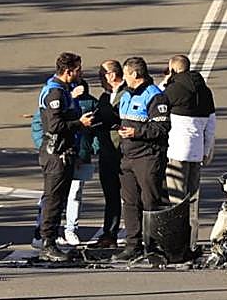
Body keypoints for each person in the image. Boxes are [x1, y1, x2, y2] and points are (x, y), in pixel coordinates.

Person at [36, 52, 94, 262]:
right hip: (56, 154)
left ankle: (51, 240)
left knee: (58, 200)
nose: (81, 73)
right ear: (68, 71)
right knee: (53, 199)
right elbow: (55, 126)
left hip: (64, 152)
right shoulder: (56, 93)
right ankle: (47, 244)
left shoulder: (64, 90)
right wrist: (81, 123)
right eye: (78, 69)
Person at [115, 56, 171, 262]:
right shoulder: (126, 95)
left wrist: (136, 132)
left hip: (148, 156)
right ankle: (133, 244)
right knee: (130, 201)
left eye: (126, 73)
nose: (124, 78)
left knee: (150, 200)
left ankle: (154, 246)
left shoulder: (155, 96)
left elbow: (162, 128)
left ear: (135, 74)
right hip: (127, 156)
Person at [162, 54, 216, 251]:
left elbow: (158, 105)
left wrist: (165, 83)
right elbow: (211, 124)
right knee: (193, 199)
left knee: (177, 199)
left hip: (176, 150)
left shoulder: (173, 89)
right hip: (197, 151)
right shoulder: (205, 91)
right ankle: (192, 242)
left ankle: (177, 243)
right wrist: (206, 150)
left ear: (173, 69)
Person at [90, 59, 125, 248]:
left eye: (101, 75)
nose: (99, 79)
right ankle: (109, 234)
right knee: (110, 196)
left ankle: (138, 237)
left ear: (111, 75)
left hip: (125, 153)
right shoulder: (104, 97)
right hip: (107, 153)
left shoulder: (127, 93)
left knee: (132, 197)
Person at [63, 79, 100, 246]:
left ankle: (70, 229)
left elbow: (97, 130)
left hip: (81, 155)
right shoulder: (57, 96)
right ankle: (49, 231)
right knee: (54, 193)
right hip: (59, 155)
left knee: (75, 192)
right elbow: (40, 124)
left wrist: (92, 149)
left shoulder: (91, 102)